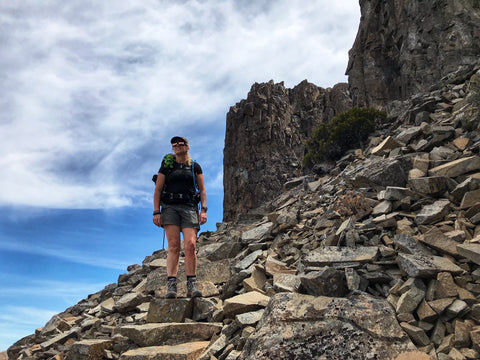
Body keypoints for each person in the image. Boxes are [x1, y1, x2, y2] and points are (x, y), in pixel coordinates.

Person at [153, 136, 207, 298]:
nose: (176, 146)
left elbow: (202, 190)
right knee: (174, 246)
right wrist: (156, 211)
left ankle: (192, 285)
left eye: (180, 143)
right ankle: (172, 286)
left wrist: (203, 210)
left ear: (187, 147)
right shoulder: (167, 167)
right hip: (170, 207)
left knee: (190, 245)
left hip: (189, 207)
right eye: (174, 144)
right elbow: (158, 189)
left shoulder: (194, 166)